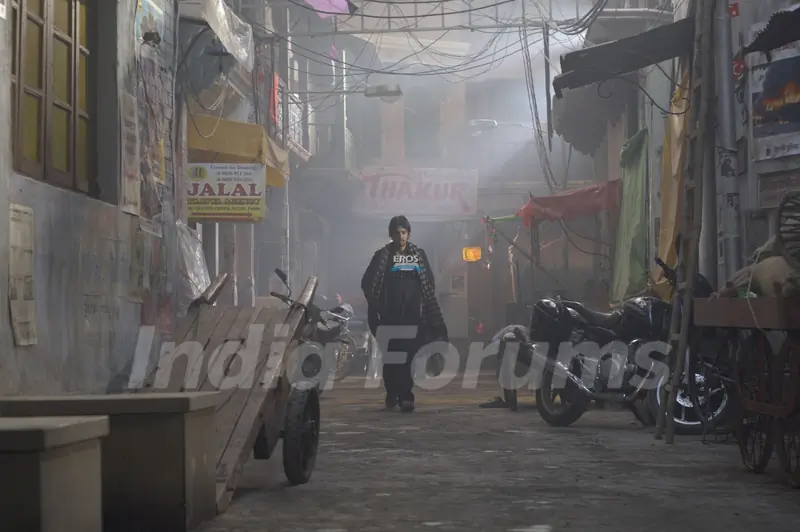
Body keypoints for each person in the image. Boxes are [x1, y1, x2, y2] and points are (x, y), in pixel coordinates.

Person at [361, 215, 448, 413]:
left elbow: (428, 283)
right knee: (392, 357)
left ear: (408, 234)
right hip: (389, 316)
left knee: (408, 355)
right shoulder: (383, 256)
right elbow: (368, 283)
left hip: (412, 316)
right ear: (391, 235)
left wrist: (422, 307)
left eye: (404, 232)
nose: (401, 237)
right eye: (397, 233)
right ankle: (393, 391)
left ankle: (406, 395)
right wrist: (379, 308)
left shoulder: (418, 255)